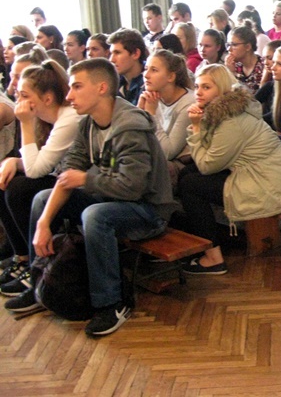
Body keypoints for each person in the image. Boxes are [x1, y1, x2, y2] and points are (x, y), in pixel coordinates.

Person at [4, 58, 178, 336]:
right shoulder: (88, 123)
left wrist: (85, 179)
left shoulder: (130, 125)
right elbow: (67, 173)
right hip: (112, 201)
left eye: (77, 87)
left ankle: (112, 303)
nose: (69, 95)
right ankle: (40, 283)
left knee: (94, 215)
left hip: (148, 211)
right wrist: (43, 223)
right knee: (42, 199)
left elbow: (132, 188)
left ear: (101, 88)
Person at [177, 64, 281, 274]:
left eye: (206, 87)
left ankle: (214, 258)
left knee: (190, 185)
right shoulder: (227, 111)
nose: (198, 92)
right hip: (259, 176)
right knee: (187, 173)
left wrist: (196, 127)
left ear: (222, 90)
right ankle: (216, 237)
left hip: (269, 187)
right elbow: (209, 155)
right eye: (197, 87)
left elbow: (207, 165)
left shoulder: (231, 120)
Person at [0, 62, 80, 287]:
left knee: (20, 189)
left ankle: (37, 269)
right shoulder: (46, 118)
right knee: (5, 181)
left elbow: (36, 170)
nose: (19, 101)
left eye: (25, 95)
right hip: (60, 177)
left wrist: (26, 124)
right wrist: (14, 162)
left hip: (78, 186)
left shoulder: (68, 118)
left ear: (47, 98)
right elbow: (38, 162)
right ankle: (23, 258)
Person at [137, 50, 195, 181]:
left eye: (154, 70)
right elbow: (131, 139)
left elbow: (168, 152)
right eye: (146, 69)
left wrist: (151, 115)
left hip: (180, 166)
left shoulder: (189, 103)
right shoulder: (151, 97)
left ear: (171, 77)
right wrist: (139, 111)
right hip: (153, 156)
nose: (146, 75)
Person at [107, 28, 148, 105]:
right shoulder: (114, 83)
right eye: (111, 54)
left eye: (117, 53)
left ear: (136, 54)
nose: (111, 59)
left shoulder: (150, 82)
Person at [224, 25, 264, 93]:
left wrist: (233, 74)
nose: (229, 49)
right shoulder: (233, 65)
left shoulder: (263, 66)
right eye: (228, 45)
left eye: (234, 45)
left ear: (248, 47)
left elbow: (252, 96)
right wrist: (230, 72)